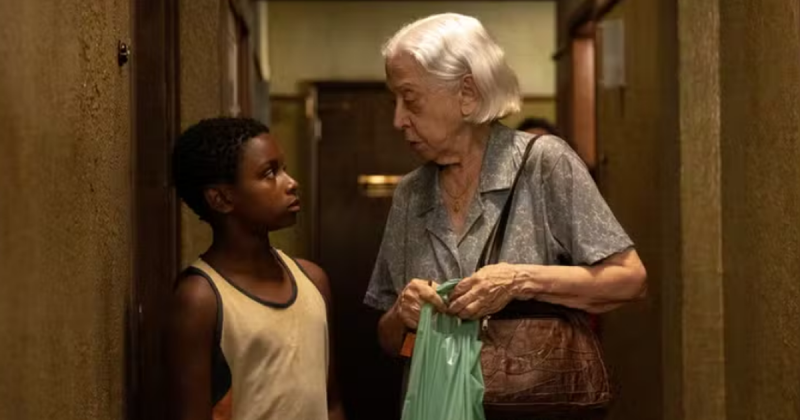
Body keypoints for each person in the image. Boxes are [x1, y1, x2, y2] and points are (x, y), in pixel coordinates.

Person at [364, 12, 647, 416]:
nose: (398, 119)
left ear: (467, 94)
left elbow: (630, 279)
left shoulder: (544, 163)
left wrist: (519, 279)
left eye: (410, 99)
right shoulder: (410, 195)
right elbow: (390, 341)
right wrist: (401, 313)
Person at [167, 117, 345, 420]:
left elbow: (330, 404)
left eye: (284, 168)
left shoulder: (313, 281)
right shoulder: (201, 298)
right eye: (269, 173)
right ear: (221, 198)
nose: (291, 183)